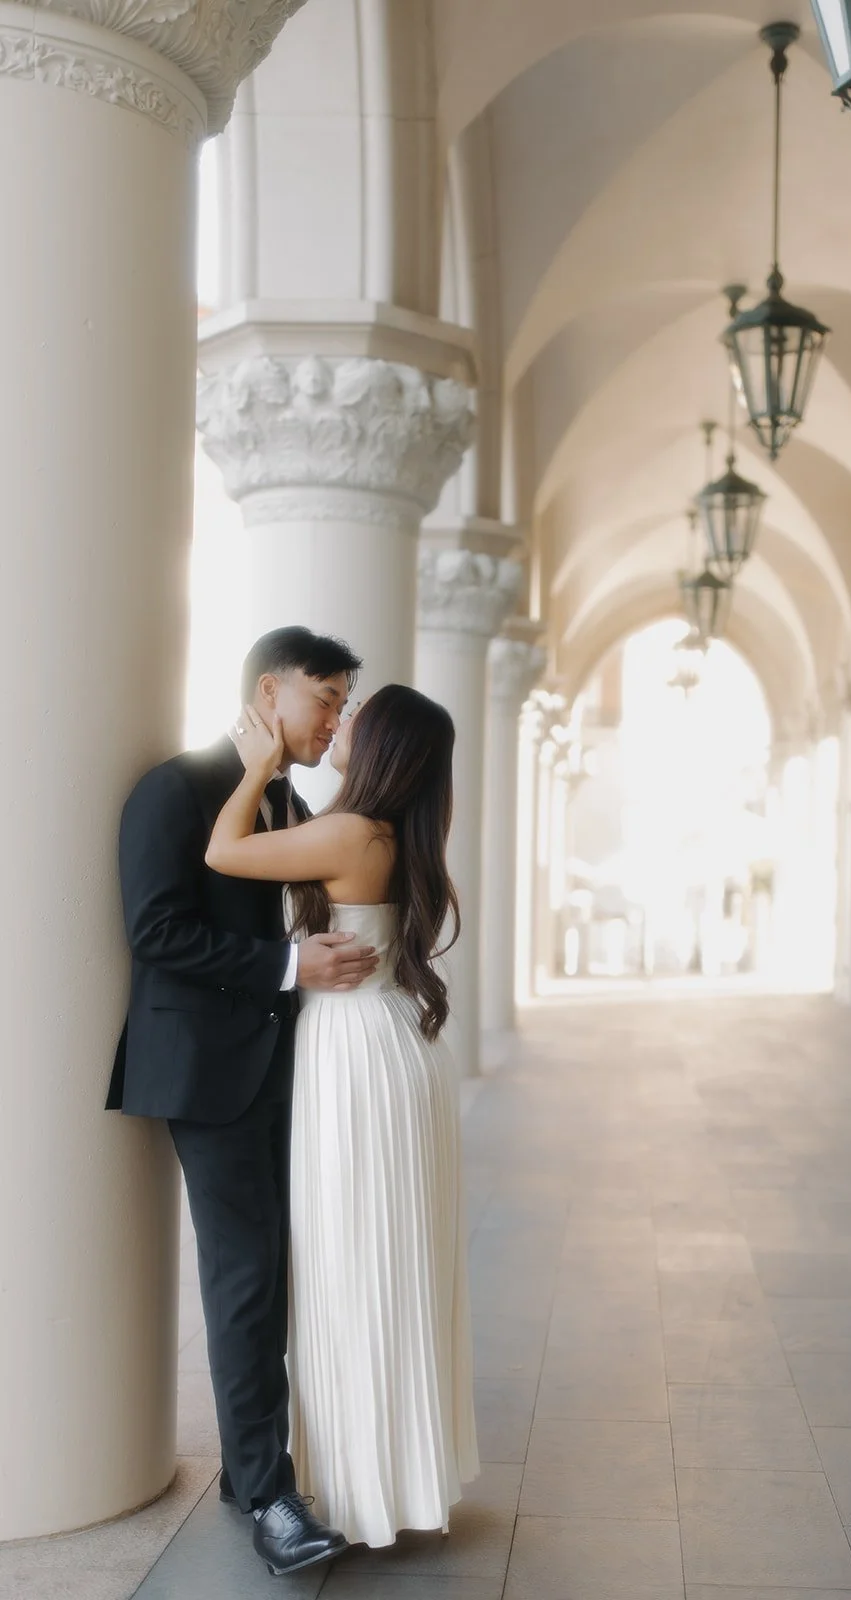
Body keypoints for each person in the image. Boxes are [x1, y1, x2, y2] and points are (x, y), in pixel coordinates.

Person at [108, 627, 379, 1579]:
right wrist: (288, 964)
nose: (335, 718)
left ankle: (252, 1475)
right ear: (269, 693)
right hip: (205, 1073)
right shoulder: (174, 788)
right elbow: (155, 931)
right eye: (326, 699)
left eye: (346, 703)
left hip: (280, 1063)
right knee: (245, 1276)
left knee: (273, 1269)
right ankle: (267, 1494)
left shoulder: (287, 799)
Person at [205, 682, 479, 1549]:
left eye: (358, 715)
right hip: (398, 1043)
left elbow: (223, 851)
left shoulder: (351, 833)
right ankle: (396, 1477)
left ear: (386, 743)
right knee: (391, 1259)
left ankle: (360, 1490)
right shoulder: (396, 832)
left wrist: (252, 771)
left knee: (349, 1259)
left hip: (352, 1051)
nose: (341, 721)